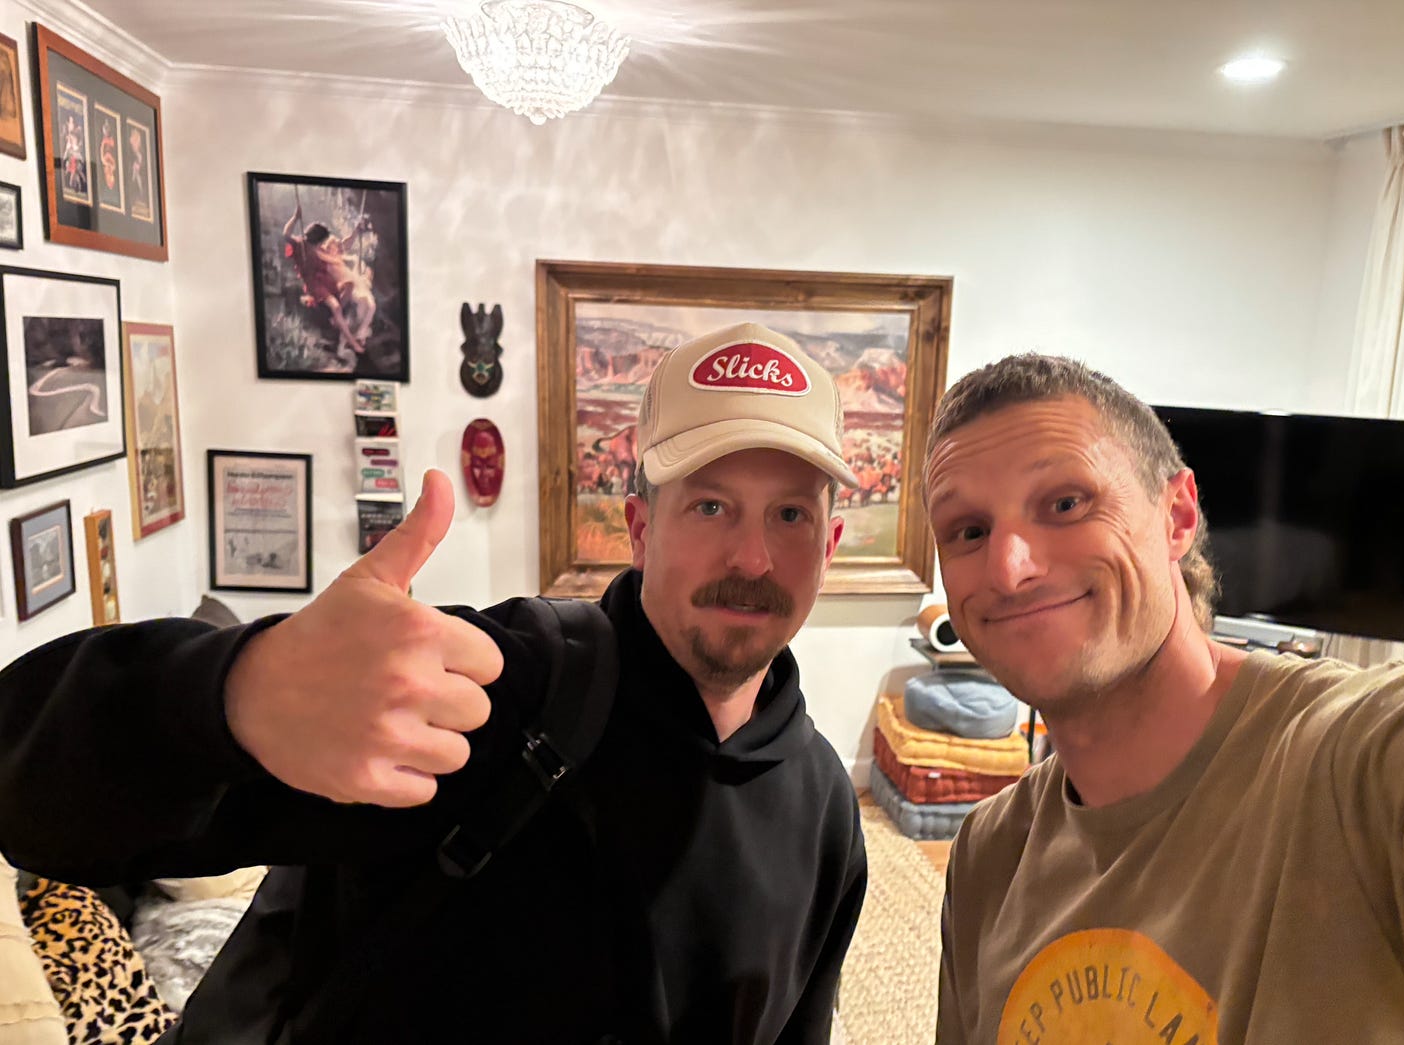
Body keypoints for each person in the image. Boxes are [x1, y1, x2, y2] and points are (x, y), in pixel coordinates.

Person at [0, 321, 867, 1044]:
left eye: (790, 513)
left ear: (828, 547)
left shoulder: (827, 813)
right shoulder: (489, 689)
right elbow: (30, 798)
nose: (753, 558)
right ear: (640, 529)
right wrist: (235, 693)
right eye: (710, 506)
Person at [925, 353, 1404, 1043]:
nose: (1009, 568)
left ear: (1177, 515)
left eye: (1066, 504)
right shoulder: (988, 854)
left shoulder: (1366, 760)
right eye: (970, 531)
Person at [280, 202, 377, 357]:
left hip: (326, 281)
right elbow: (286, 234)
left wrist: (355, 232)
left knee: (349, 285)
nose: (323, 244)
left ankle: (338, 319)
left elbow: (342, 246)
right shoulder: (301, 245)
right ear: (317, 239)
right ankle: (352, 341)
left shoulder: (319, 248)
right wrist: (295, 217)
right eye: (322, 241)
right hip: (316, 285)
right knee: (336, 307)